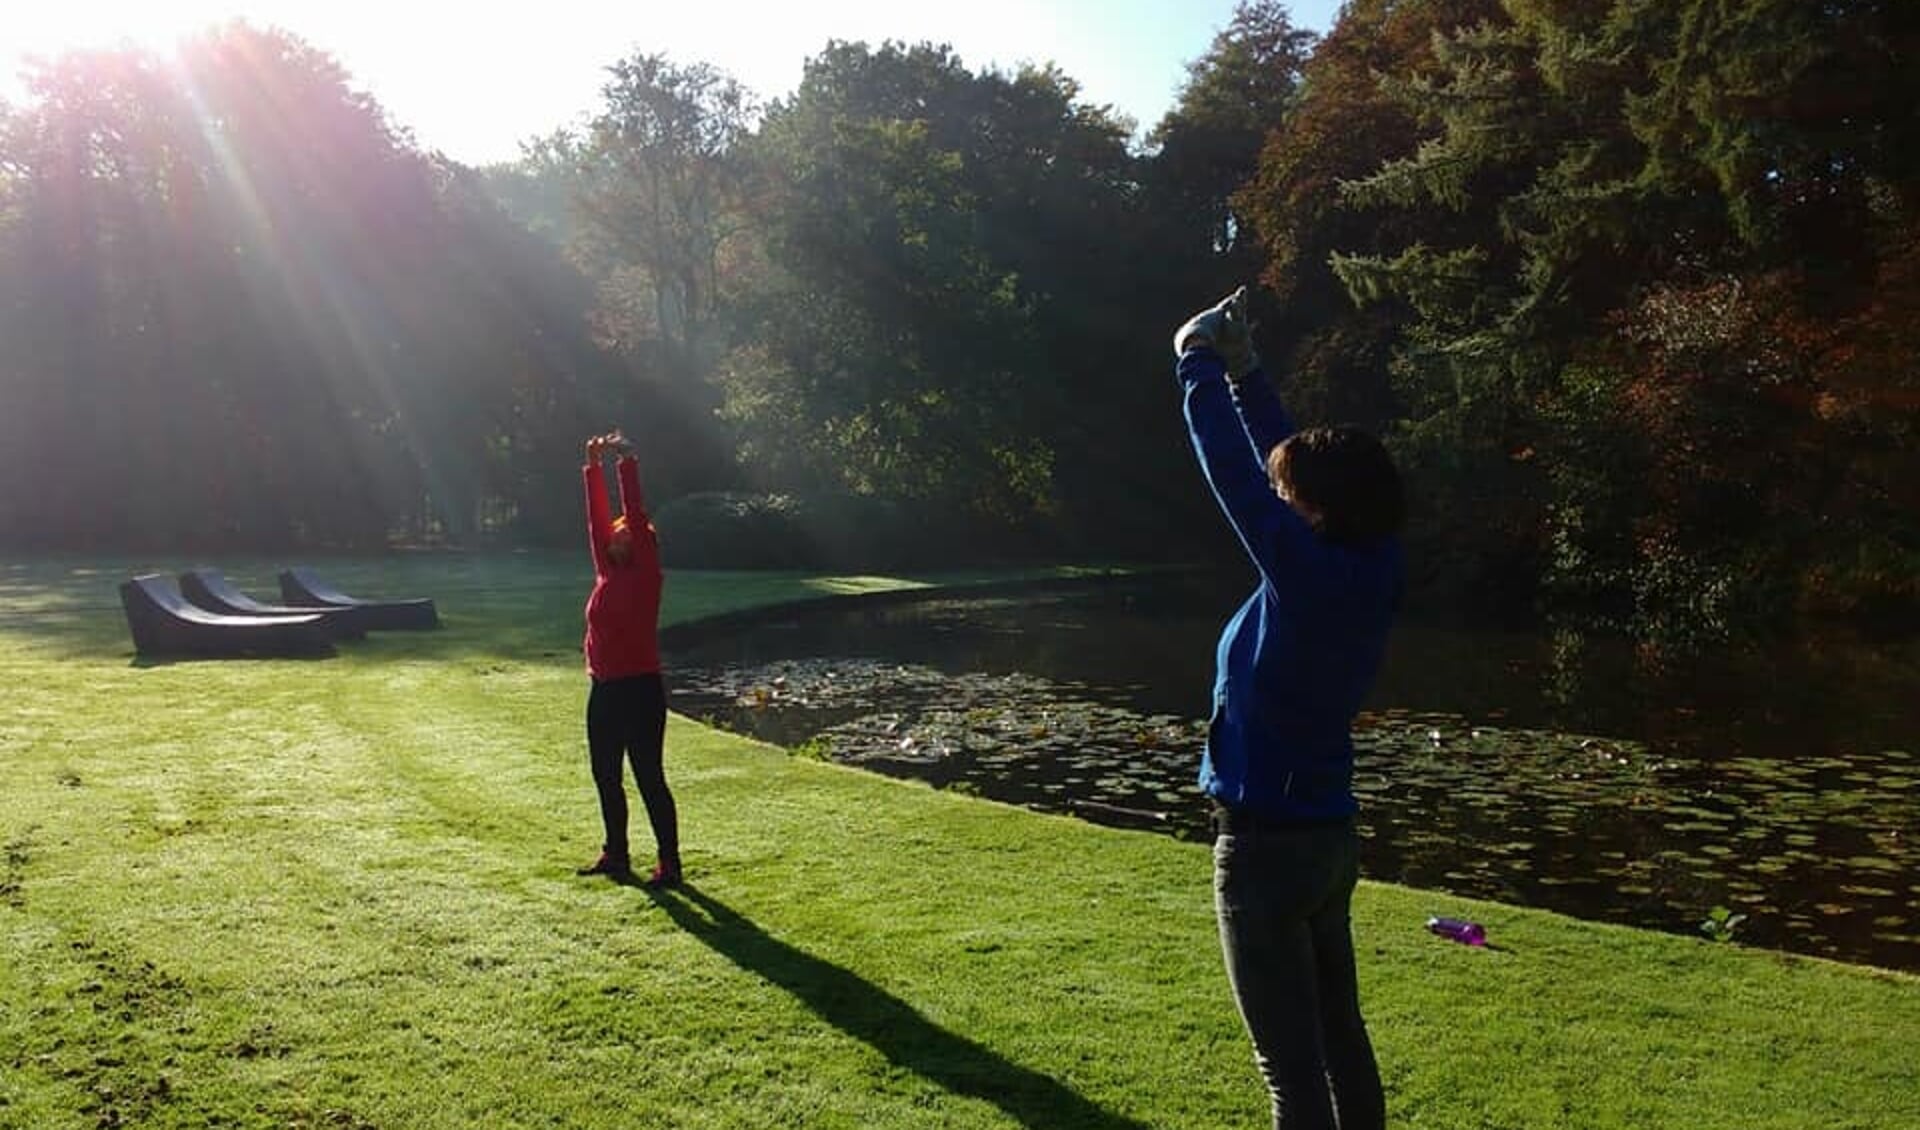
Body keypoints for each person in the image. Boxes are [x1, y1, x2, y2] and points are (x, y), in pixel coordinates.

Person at [1173, 288, 1405, 1130]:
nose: (1282, 500)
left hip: (1266, 847)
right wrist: (1249, 373)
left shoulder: (1302, 575)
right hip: (1325, 839)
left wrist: (1196, 362)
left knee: (1292, 1072)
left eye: (1294, 496)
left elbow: (1237, 477)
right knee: (1341, 1042)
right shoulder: (1370, 560)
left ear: (1317, 510)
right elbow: (1282, 470)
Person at [576, 430, 682, 888]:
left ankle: (670, 863)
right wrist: (591, 467)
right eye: (614, 534)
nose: (614, 533)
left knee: (648, 777)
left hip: (639, 688)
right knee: (605, 774)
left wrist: (626, 464)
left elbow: (632, 515)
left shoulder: (646, 577)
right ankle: (616, 854)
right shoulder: (607, 572)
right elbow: (596, 522)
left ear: (638, 544)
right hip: (603, 686)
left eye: (623, 533)